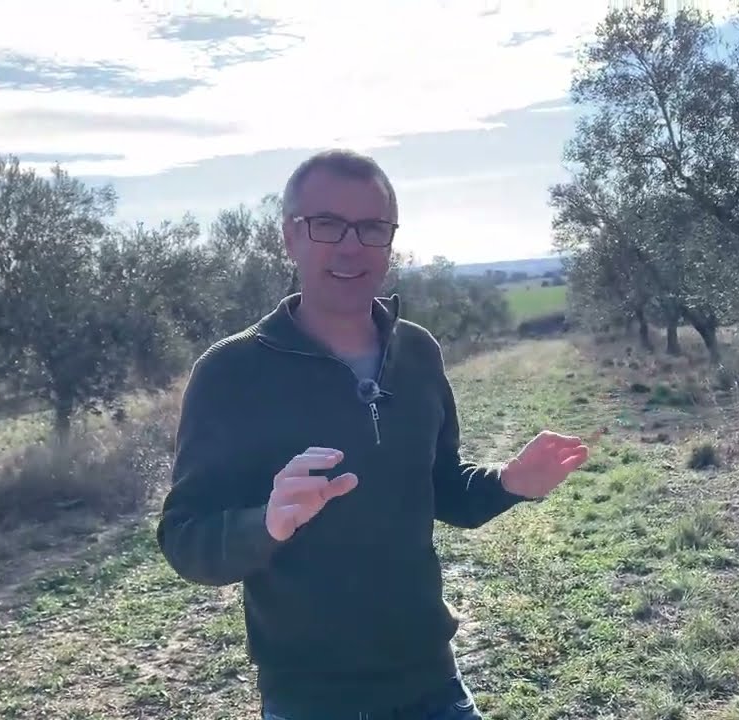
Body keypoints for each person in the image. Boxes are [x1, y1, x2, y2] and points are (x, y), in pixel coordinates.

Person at [156, 149, 591, 720]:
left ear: (390, 241)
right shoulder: (231, 372)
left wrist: (509, 482)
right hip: (308, 697)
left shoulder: (417, 351)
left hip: (432, 683)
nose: (350, 246)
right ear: (291, 236)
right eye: (327, 224)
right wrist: (265, 521)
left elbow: (442, 487)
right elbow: (185, 537)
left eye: (372, 228)